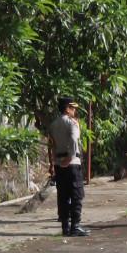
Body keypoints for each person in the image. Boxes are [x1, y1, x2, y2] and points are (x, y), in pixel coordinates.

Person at [48, 96, 86, 237]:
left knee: (63, 196)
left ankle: (65, 227)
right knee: (76, 195)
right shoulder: (72, 123)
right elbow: (73, 140)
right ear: (67, 108)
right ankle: (75, 226)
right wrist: (70, 157)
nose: (75, 110)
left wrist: (54, 162)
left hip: (59, 163)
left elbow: (52, 145)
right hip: (72, 163)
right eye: (73, 108)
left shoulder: (53, 124)